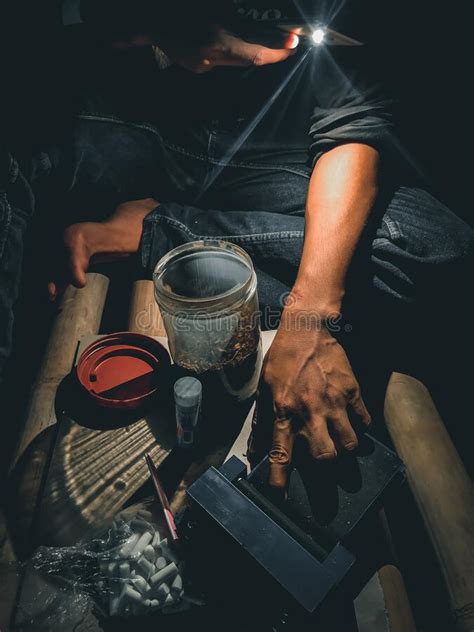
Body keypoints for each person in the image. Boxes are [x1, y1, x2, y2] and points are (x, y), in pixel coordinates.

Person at [2, 1, 473, 490]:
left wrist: (309, 316)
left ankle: (156, 230)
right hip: (130, 119)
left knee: (436, 247)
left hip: (267, 152)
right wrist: (155, 23)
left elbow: (353, 124)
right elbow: (41, 26)